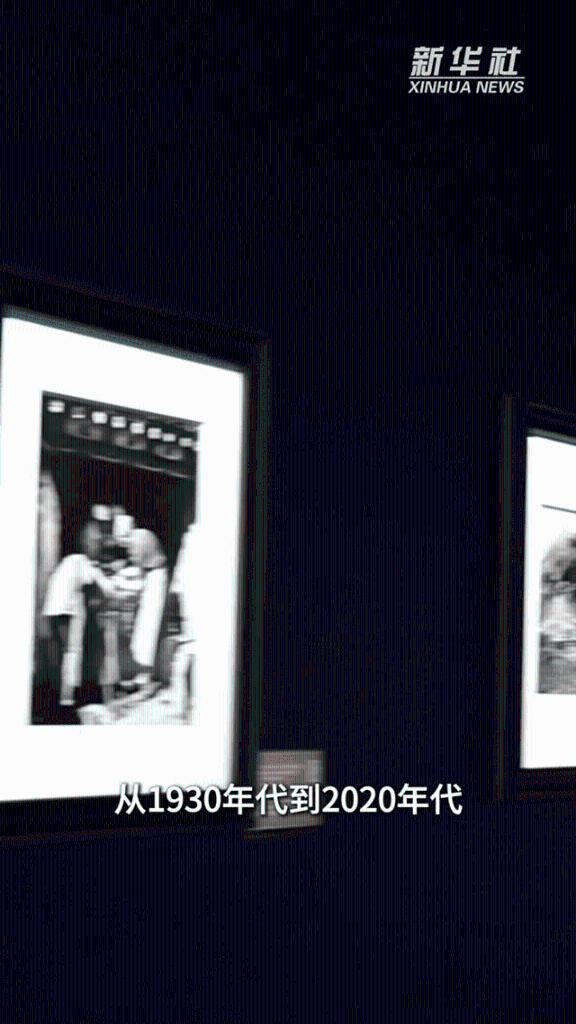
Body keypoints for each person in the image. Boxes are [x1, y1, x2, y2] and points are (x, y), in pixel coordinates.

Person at [41, 521, 118, 710]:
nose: (98, 545)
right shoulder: (79, 562)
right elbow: (104, 587)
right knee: (72, 653)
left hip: (60, 612)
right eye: (95, 541)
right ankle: (67, 700)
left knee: (69, 654)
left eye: (99, 541)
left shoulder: (75, 561)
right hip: (64, 613)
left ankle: (66, 697)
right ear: (84, 542)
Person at [111, 529, 169, 698]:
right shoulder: (138, 540)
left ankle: (148, 677)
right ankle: (144, 674)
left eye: (132, 550)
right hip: (151, 577)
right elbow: (138, 566)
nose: (130, 554)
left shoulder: (141, 540)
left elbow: (140, 562)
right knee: (142, 632)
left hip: (156, 579)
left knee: (149, 632)